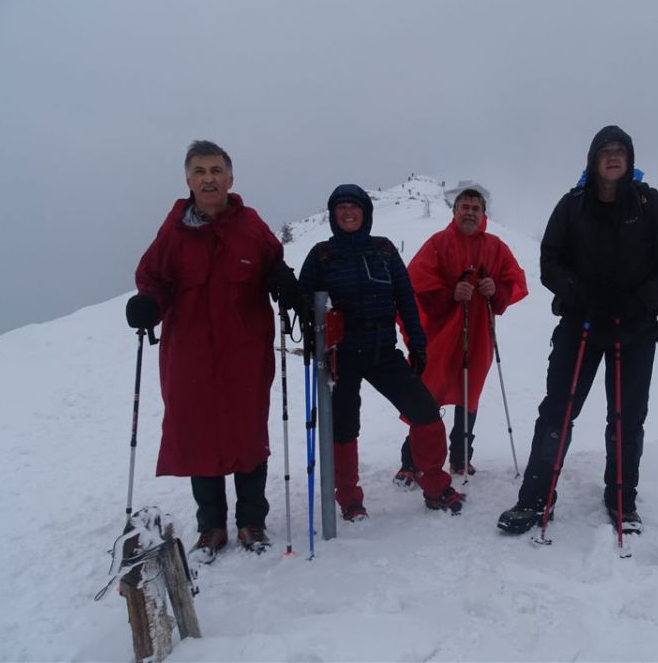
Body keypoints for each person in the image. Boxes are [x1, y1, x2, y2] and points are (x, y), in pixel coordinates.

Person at [497, 125, 658, 536]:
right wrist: (577, 291)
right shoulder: (572, 204)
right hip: (580, 325)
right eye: (606, 151)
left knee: (626, 417)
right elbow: (550, 260)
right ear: (593, 159)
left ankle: (622, 499)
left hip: (633, 328)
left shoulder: (650, 204)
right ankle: (534, 498)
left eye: (621, 150)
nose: (614, 156)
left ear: (630, 158)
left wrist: (636, 301)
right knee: (558, 413)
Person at [126, 140, 300, 562]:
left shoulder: (251, 226)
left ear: (230, 178)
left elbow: (272, 263)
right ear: (188, 180)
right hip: (189, 354)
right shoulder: (174, 232)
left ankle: (251, 522)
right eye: (200, 171)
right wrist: (149, 302)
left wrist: (282, 280)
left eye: (216, 170)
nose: (209, 178)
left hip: (245, 350)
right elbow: (154, 278)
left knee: (247, 434)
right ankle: (211, 526)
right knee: (198, 434)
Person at [298, 184, 466, 520]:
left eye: (354, 207)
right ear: (332, 215)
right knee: (345, 427)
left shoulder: (385, 251)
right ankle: (349, 499)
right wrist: (316, 332)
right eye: (341, 207)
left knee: (426, 412)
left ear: (366, 213)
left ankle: (433, 483)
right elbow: (304, 304)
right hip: (340, 356)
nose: (348, 212)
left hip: (382, 350)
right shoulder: (321, 255)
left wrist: (417, 343)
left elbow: (405, 297)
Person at [394, 188, 528, 485]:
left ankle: (460, 457)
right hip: (440, 335)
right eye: (464, 207)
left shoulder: (496, 247)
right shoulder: (438, 244)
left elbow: (513, 279)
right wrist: (449, 294)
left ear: (483, 214)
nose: (469, 212)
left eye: (475, 208)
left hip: (479, 332)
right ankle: (411, 461)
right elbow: (416, 282)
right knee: (427, 394)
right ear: (454, 212)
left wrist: (497, 290)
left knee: (470, 394)